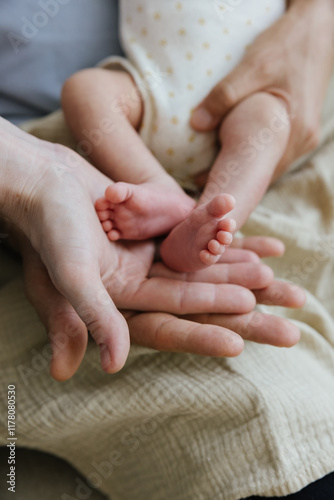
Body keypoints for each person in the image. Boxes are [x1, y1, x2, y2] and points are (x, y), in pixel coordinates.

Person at [1, 0, 334, 499]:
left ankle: (208, 214)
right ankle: (171, 201)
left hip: (259, 82)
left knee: (267, 123)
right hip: (140, 90)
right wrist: (27, 179)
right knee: (86, 92)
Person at [62, 0, 290, 272]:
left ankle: (209, 220)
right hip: (147, 93)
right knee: (86, 91)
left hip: (242, 103)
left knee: (270, 120)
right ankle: (159, 187)